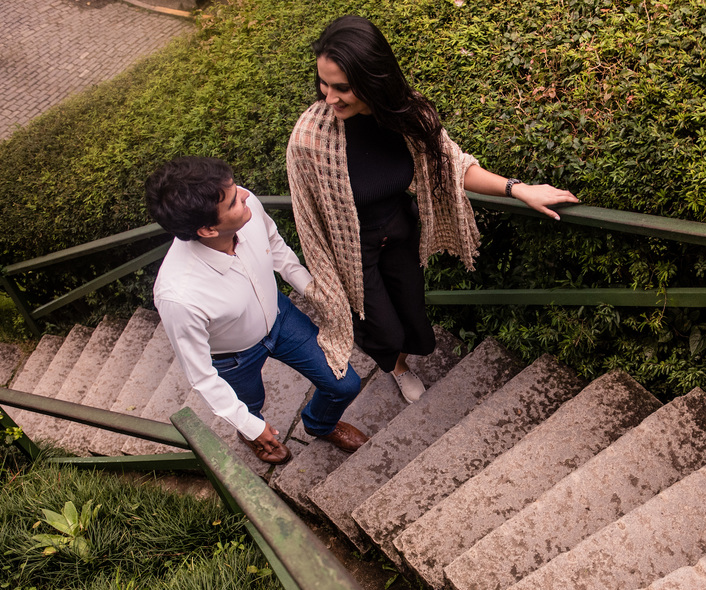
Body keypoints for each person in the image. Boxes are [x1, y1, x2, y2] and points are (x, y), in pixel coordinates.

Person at [286, 15, 579, 403]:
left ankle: (401, 360)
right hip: (352, 253)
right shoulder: (310, 139)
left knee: (413, 316)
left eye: (342, 87)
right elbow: (308, 219)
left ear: (373, 79)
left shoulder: (408, 115)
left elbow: (452, 164)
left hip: (402, 234)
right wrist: (325, 282)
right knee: (384, 330)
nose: (329, 97)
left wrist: (518, 189)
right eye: (323, 83)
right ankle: (396, 367)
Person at [145, 156, 369, 465]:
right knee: (249, 406)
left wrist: (311, 289)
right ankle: (254, 435)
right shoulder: (179, 296)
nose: (246, 195)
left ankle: (321, 424)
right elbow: (200, 374)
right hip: (232, 358)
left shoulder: (246, 207)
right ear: (208, 229)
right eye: (233, 201)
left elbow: (275, 247)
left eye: (235, 188)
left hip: (281, 318)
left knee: (344, 385)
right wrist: (249, 425)